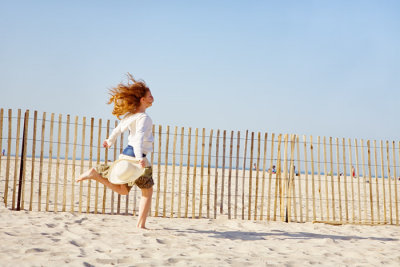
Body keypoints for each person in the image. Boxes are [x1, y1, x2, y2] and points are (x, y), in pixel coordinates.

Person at [76, 74, 154, 229]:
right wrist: (140, 158)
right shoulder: (144, 118)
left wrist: (109, 141)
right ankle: (141, 225)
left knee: (123, 190)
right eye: (150, 96)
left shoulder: (131, 115)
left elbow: (118, 129)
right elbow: (138, 138)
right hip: (136, 157)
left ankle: (95, 175)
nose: (153, 98)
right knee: (148, 191)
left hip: (126, 154)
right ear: (142, 100)